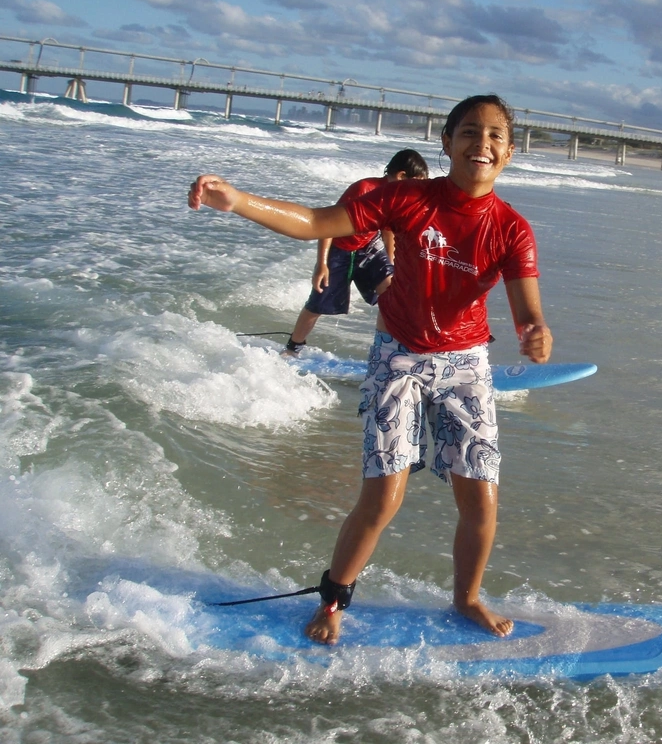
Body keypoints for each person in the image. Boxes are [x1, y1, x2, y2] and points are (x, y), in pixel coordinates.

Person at [188, 94, 553, 644]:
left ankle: (468, 598)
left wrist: (534, 333)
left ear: (509, 152)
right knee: (383, 495)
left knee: (481, 497)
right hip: (398, 355)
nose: (483, 142)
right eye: (470, 131)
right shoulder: (406, 199)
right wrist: (238, 200)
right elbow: (316, 222)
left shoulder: (511, 229)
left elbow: (528, 310)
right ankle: (334, 597)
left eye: (496, 135)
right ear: (448, 142)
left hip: (465, 363)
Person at [284, 149, 429, 355]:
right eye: (416, 183)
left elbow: (388, 231)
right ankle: (293, 348)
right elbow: (327, 225)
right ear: (401, 177)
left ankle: (391, 349)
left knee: (391, 293)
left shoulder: (396, 196)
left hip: (368, 246)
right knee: (317, 305)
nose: (417, 190)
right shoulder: (364, 189)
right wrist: (322, 264)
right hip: (340, 249)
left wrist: (392, 265)